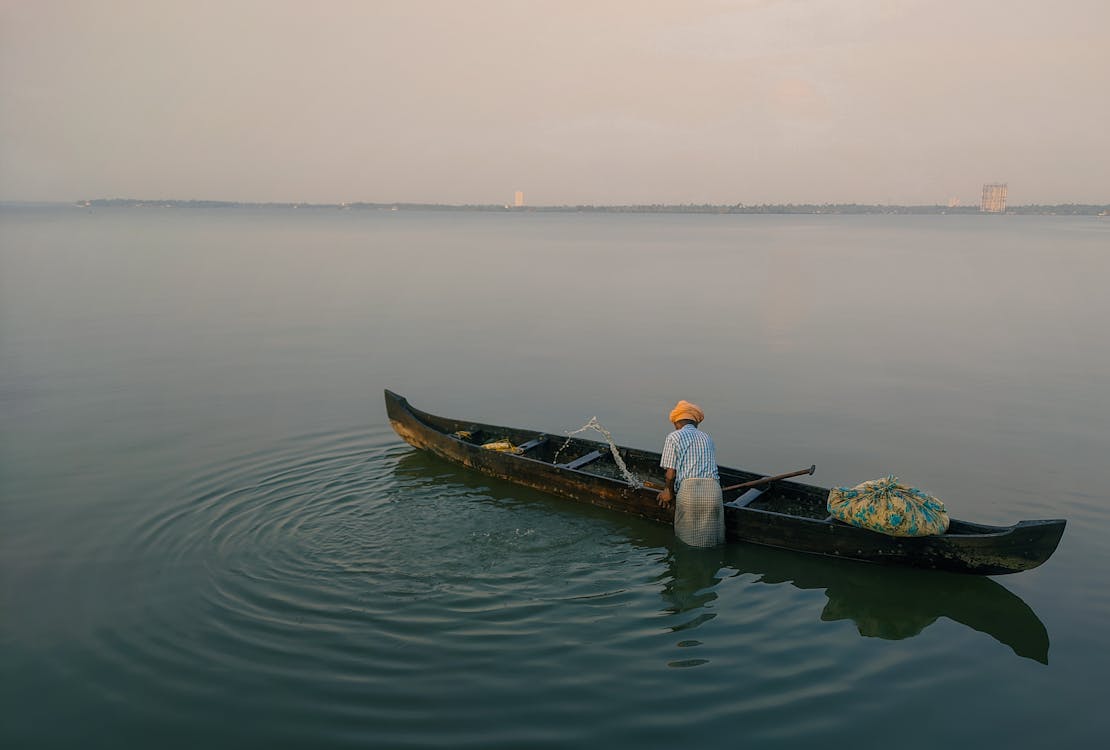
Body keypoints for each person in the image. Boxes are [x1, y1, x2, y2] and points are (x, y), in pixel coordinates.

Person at [656, 400, 724, 547]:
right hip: (714, 492)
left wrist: (667, 491)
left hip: (690, 492)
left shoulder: (674, 436)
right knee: (711, 542)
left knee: (687, 542)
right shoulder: (707, 437)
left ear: (676, 422)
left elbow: (671, 472)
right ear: (696, 423)